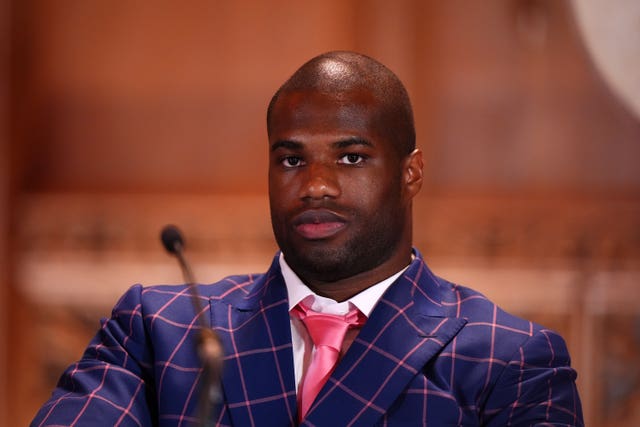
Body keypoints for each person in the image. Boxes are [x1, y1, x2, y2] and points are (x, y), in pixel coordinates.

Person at [32, 51, 583, 426]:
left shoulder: (509, 359)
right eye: (292, 159)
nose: (316, 185)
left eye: (351, 157)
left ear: (410, 173)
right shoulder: (160, 328)